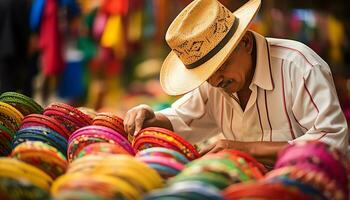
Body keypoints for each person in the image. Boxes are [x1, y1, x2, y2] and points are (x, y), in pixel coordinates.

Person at [124, 0, 348, 165]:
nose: (214, 80)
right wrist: (148, 116)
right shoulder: (214, 82)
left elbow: (332, 142)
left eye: (220, 66)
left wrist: (243, 148)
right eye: (204, 74)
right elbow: (181, 119)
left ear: (246, 43)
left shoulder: (298, 66)